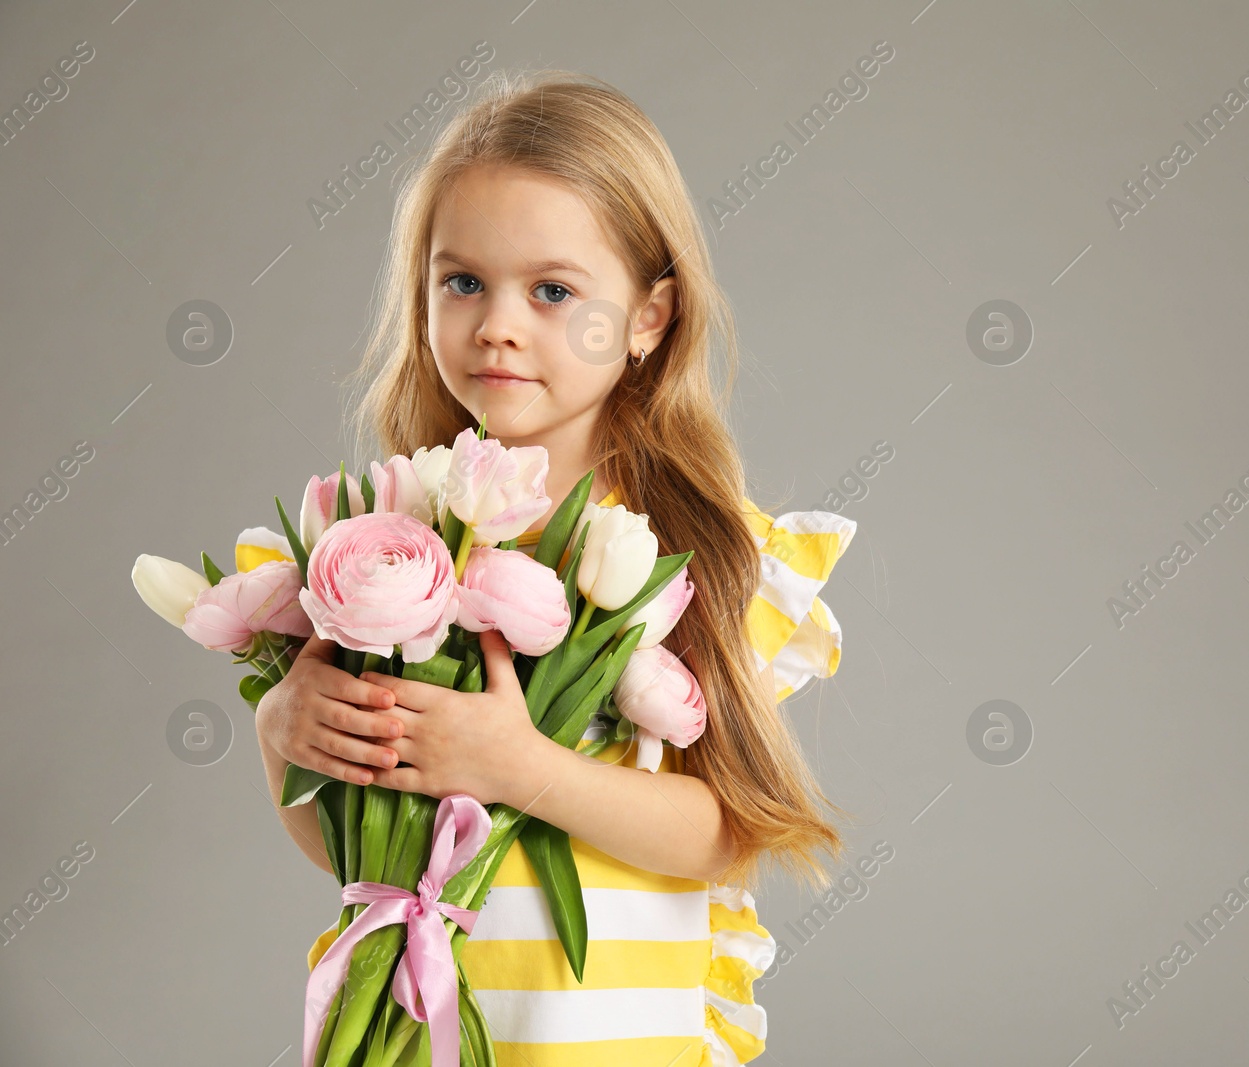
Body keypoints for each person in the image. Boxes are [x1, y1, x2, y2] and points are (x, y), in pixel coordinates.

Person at [253, 67, 860, 1065]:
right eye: (462, 282)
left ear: (648, 318)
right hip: (416, 1031)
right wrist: (284, 734)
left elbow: (728, 834)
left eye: (551, 290)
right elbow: (354, 851)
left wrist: (521, 768)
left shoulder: (693, 554)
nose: (498, 323)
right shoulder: (394, 554)